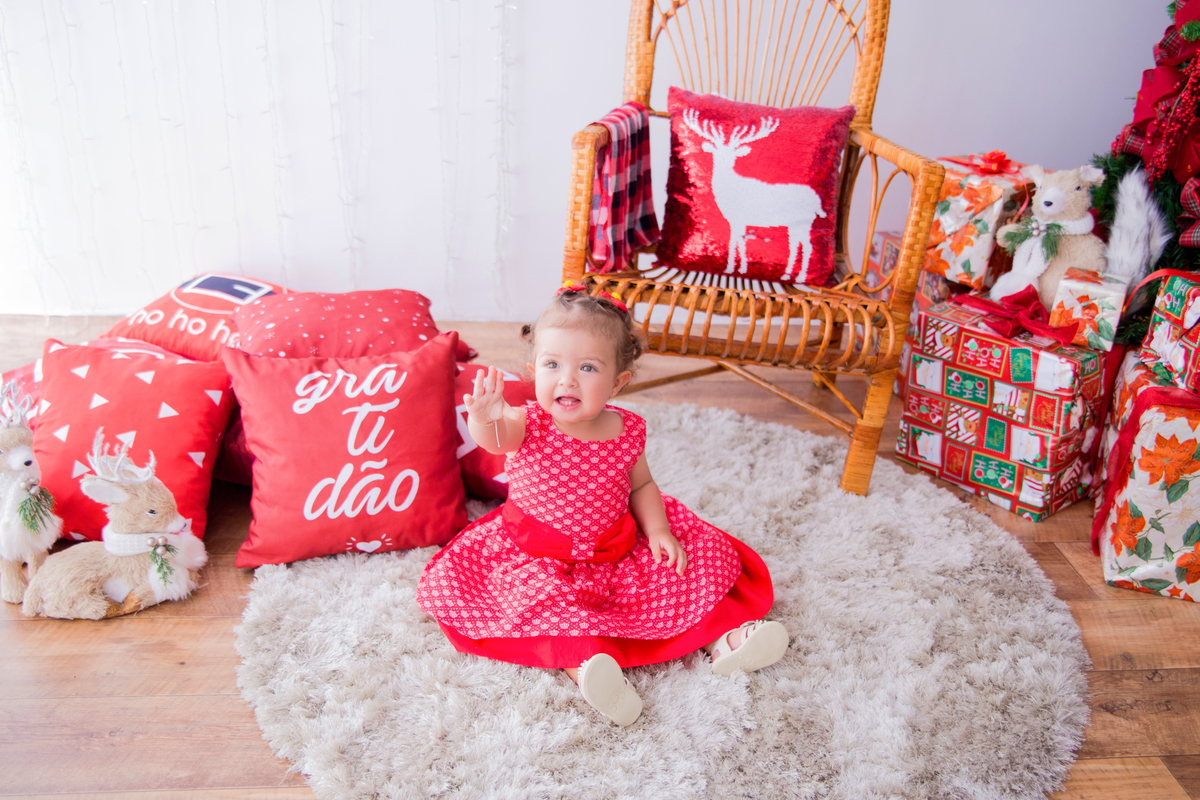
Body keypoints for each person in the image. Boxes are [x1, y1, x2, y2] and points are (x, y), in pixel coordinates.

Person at [416, 284, 786, 726]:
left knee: (683, 571)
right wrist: (485, 416)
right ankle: (591, 669)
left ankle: (726, 640)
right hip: (539, 554)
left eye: (587, 367)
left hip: (616, 546)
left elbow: (642, 485)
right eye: (552, 365)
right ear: (534, 370)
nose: (567, 379)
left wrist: (659, 531)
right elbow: (497, 440)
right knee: (550, 606)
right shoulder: (527, 421)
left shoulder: (626, 430)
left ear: (618, 381)